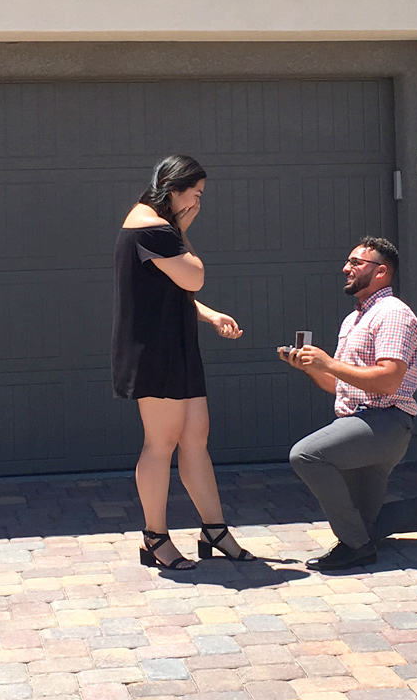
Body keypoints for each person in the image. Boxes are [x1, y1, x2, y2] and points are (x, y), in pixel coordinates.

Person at [279, 236, 417, 572]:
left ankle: (357, 549)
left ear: (381, 271)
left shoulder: (393, 314)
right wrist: (312, 368)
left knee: (306, 455)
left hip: (384, 424)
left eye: (356, 263)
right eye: (348, 261)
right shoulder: (354, 320)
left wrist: (328, 363)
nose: (346, 268)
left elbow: (387, 380)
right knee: (366, 524)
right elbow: (339, 384)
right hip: (360, 424)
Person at [112, 154, 255, 570]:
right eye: (194, 194)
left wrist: (208, 314)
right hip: (153, 351)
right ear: (172, 191)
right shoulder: (152, 228)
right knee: (161, 443)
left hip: (176, 345)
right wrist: (183, 232)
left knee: (195, 436)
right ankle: (154, 538)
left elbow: (167, 289)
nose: (197, 203)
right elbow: (193, 275)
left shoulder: (156, 228)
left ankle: (214, 530)